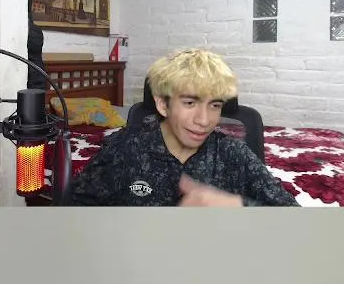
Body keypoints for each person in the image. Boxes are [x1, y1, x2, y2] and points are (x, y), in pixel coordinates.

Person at [57, 48, 298, 207]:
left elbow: (294, 218)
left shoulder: (233, 155)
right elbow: (73, 210)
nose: (204, 120)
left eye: (215, 105)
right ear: (163, 104)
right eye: (190, 103)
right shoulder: (125, 149)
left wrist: (237, 205)